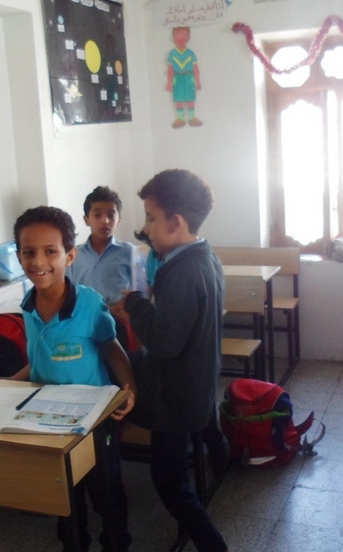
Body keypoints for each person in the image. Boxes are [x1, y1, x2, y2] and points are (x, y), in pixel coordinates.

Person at [0, 206, 137, 552]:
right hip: (48, 418)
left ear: (69, 256)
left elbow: (112, 347)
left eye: (50, 251)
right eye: (28, 252)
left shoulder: (88, 304)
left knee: (105, 491)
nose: (38, 261)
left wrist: (130, 388)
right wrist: (9, 380)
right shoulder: (27, 304)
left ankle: (116, 543)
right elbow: (39, 358)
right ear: (18, 256)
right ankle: (74, 544)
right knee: (64, 493)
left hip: (95, 419)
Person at [114, 169, 228, 552]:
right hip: (196, 382)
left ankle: (213, 545)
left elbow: (164, 342)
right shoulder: (205, 257)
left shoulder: (182, 271)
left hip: (175, 396)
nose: (146, 229)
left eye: (150, 219)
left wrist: (136, 305)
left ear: (176, 223)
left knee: (170, 483)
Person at [68, 185, 146, 351]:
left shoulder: (131, 252)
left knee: (125, 361)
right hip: (85, 325)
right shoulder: (74, 255)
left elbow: (143, 293)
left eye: (111, 215)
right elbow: (68, 292)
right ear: (86, 219)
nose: (105, 221)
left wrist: (130, 311)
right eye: (97, 215)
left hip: (121, 323)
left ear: (119, 220)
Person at [167, 26, 202, 128]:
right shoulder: (172, 54)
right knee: (178, 98)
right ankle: (180, 118)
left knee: (190, 98)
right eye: (177, 35)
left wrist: (198, 81)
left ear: (188, 38)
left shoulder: (190, 53)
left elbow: (195, 68)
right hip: (177, 78)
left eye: (183, 35)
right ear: (173, 38)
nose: (180, 38)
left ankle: (191, 117)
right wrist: (170, 83)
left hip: (189, 77)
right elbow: (170, 69)